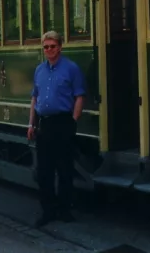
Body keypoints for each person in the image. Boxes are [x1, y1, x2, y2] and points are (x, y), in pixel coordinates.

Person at [27, 31, 86, 227]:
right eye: (45, 47)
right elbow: (34, 98)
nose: (49, 50)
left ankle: (64, 210)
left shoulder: (71, 68)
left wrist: (73, 121)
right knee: (44, 171)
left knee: (64, 169)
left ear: (60, 47)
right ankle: (48, 211)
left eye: (52, 46)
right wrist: (31, 124)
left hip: (63, 123)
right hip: (44, 123)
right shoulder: (39, 70)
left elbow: (79, 96)